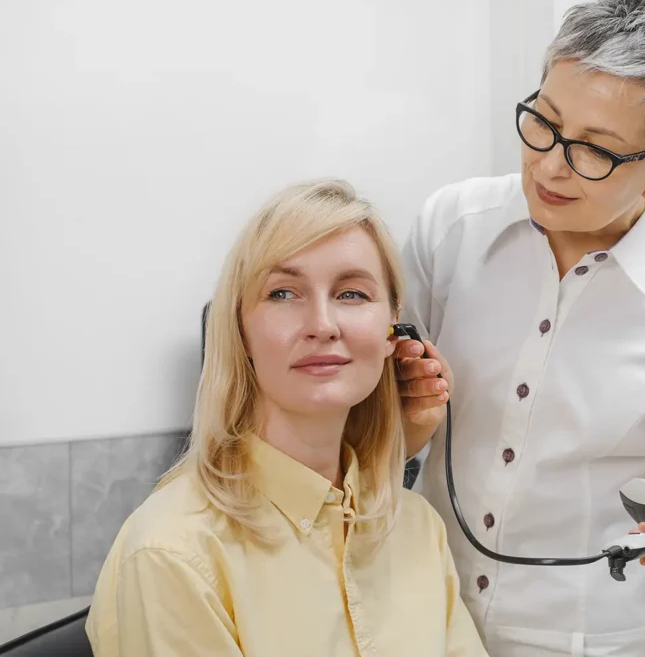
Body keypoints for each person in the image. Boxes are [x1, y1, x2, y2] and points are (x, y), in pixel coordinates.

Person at [394, 0, 645, 655]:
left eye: (595, 150)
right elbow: (373, 423)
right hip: (428, 617)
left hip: (591, 638)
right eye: (543, 122)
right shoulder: (450, 229)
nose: (549, 164)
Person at [85, 180, 488, 657]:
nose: (322, 324)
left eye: (353, 294)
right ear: (240, 329)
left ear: (391, 331)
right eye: (282, 293)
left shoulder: (417, 527)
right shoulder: (172, 552)